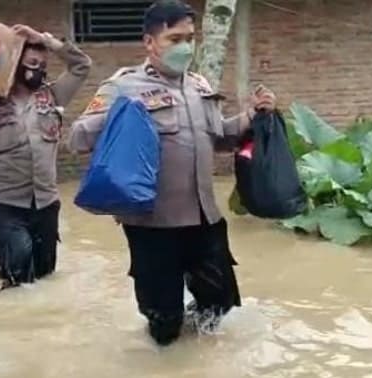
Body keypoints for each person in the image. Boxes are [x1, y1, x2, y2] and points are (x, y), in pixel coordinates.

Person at [69, 0, 276, 346]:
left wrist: (252, 116)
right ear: (150, 42)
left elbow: (220, 138)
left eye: (190, 38)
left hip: (205, 219)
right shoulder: (123, 85)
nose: (185, 47)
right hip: (153, 226)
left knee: (218, 308)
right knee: (163, 322)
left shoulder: (198, 85)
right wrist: (123, 115)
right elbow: (77, 137)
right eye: (175, 39)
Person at [0, 25, 91, 289]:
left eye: (42, 64)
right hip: (3, 200)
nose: (39, 69)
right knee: (17, 269)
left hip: (45, 199)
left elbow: (82, 66)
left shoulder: (52, 95)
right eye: (32, 62)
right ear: (15, 63)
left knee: (45, 273)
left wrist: (46, 40)